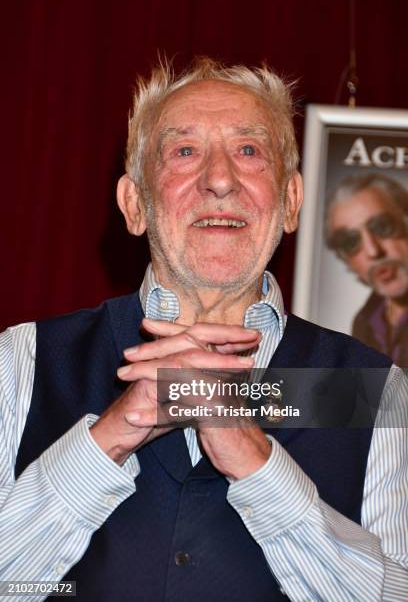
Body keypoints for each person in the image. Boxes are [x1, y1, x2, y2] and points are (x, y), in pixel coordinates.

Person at [0, 58, 407, 602]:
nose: (220, 180)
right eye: (184, 152)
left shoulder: (376, 393)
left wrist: (255, 462)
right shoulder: (25, 361)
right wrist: (113, 435)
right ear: (134, 205)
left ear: (289, 202)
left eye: (249, 151)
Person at [326, 173, 408, 367]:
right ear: (346, 260)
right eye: (351, 241)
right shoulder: (364, 322)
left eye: (382, 226)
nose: (373, 251)